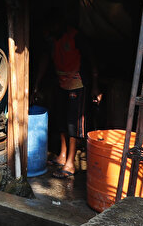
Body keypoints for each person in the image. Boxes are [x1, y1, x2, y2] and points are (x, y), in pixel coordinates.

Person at [35, 10, 100, 179]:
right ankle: (62, 155)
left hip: (78, 84)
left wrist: (95, 86)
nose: (49, 30)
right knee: (61, 120)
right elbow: (45, 59)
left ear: (60, 24)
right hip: (61, 82)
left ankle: (70, 163)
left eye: (52, 26)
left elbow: (92, 60)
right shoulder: (51, 39)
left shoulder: (75, 36)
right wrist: (36, 84)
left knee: (74, 124)